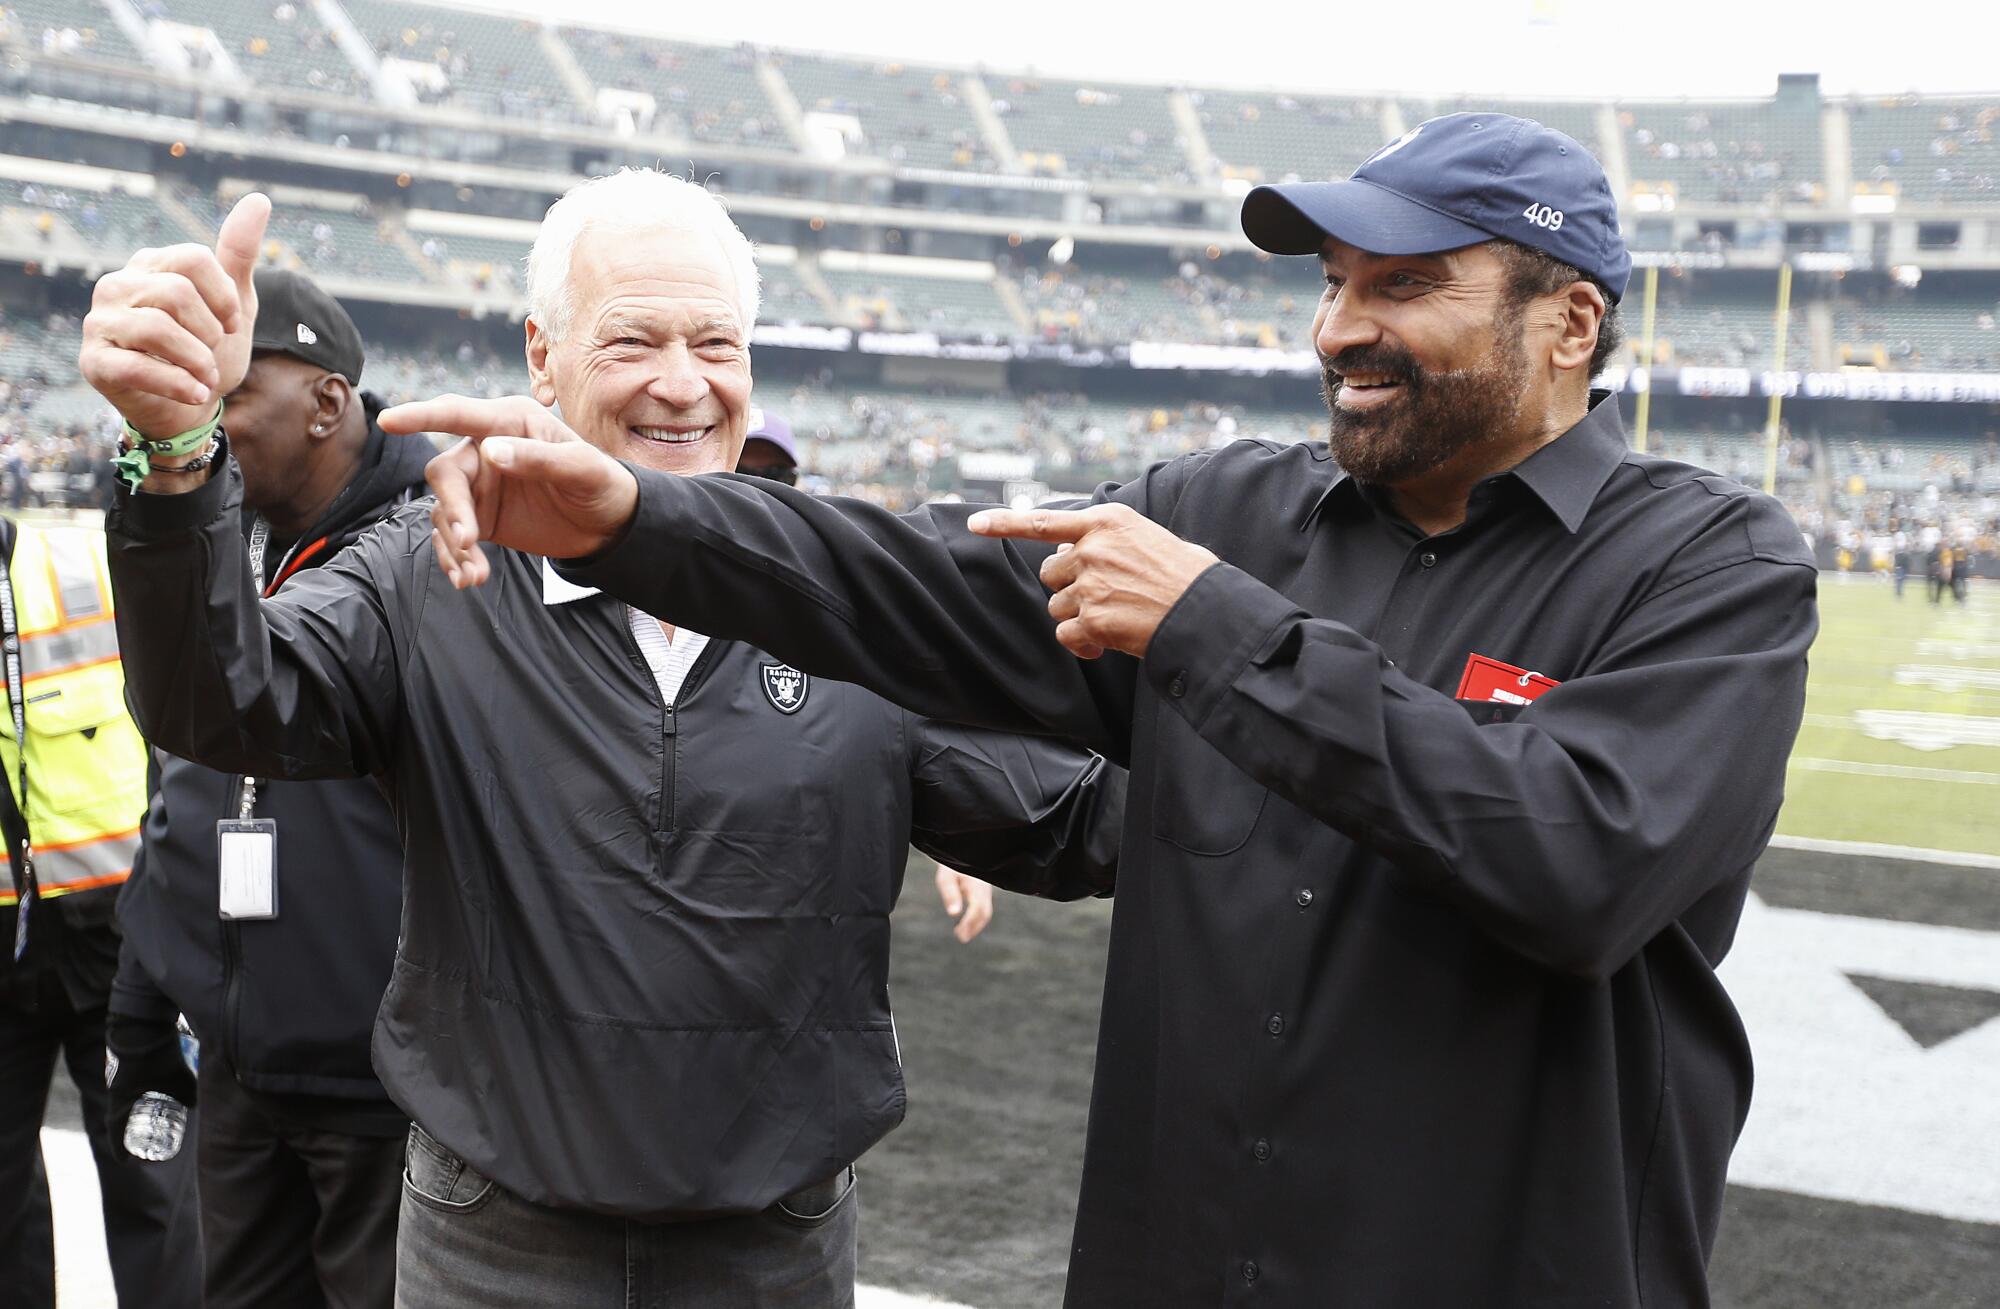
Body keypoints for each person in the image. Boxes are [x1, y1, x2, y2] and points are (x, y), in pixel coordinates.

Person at [393, 115, 1820, 1307]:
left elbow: (1581, 860)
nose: (1341, 329)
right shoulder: (1225, 510)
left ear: (1569, 321)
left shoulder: (1711, 568)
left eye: (1404, 286)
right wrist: (641, 518)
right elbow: (918, 579)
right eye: (1333, 282)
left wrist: (1217, 632)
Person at [86, 174, 1124, 1308]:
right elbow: (223, 702)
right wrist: (176, 457)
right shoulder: (427, 571)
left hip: (772, 1248)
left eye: (714, 342)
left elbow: (1065, 819)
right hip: (492, 1246)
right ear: (542, 355)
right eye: (632, 339)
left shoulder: (852, 598)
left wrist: (1258, 687)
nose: (680, 384)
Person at [106, 269, 428, 1309]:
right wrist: (145, 993)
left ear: (326, 403)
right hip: (238, 1067)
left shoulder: (437, 547)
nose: (206, 423)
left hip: (387, 1090)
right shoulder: (219, 532)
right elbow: (181, 781)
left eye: (231, 396)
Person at [0, 517, 201, 1309]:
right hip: (9, 943)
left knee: (153, 1185)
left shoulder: (86, 563)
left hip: (120, 938)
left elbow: (188, 717)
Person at [736, 408, 996, 945]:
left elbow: (932, 743)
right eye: (742, 470)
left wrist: (968, 838)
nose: (756, 490)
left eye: (775, 477)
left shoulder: (835, 607)